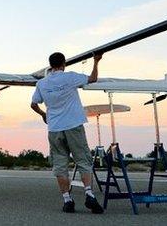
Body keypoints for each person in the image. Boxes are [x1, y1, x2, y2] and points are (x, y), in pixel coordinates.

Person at [31, 51, 104, 214]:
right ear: (63, 64)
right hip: (73, 125)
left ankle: (67, 200)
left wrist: (44, 115)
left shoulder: (42, 83)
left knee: (60, 165)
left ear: (50, 65)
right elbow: (92, 78)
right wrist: (96, 61)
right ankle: (89, 194)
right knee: (83, 160)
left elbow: (34, 104)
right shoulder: (70, 77)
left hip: (55, 128)